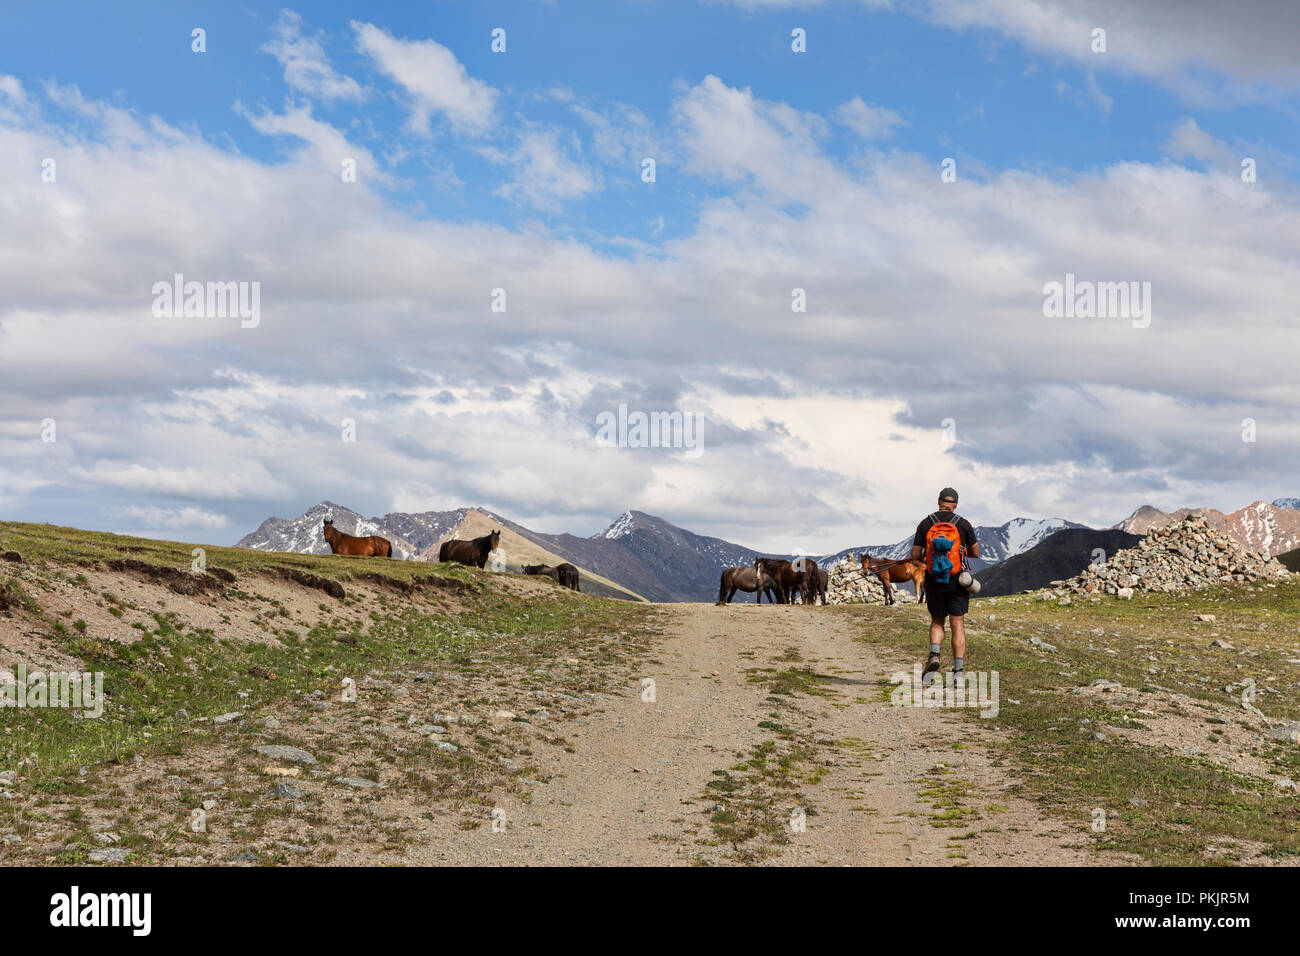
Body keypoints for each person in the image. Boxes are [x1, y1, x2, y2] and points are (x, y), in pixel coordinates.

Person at [910, 488, 980, 682]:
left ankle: (934, 655)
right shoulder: (963, 524)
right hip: (957, 580)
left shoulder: (926, 523)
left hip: (934, 580)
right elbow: (976, 553)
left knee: (937, 621)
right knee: (957, 624)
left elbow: (915, 556)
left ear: (938, 501)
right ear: (955, 504)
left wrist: (926, 555)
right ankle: (958, 672)